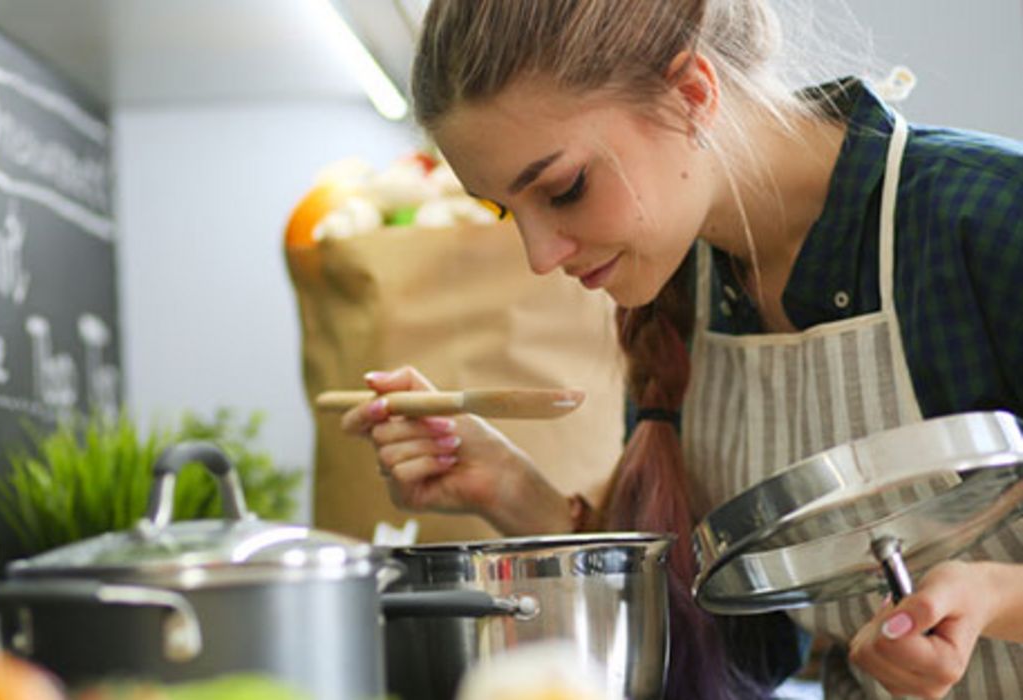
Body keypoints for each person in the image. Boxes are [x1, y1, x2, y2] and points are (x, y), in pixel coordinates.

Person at [339, 1, 1023, 698]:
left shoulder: (991, 214)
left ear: (692, 95)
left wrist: (992, 595)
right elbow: (730, 650)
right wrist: (512, 493)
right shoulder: (680, 287)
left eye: (564, 188)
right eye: (506, 211)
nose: (540, 256)